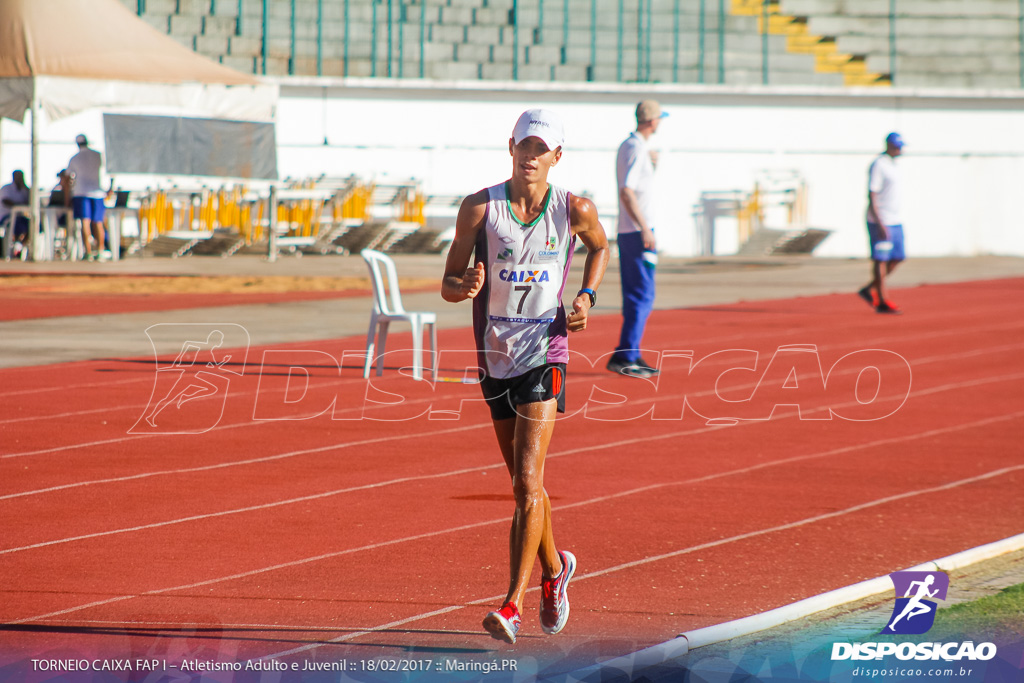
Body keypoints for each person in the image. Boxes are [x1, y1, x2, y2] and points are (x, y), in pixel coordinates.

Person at [441, 108, 609, 644]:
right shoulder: (480, 208)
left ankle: (512, 604)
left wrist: (586, 296)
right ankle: (557, 570)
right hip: (494, 354)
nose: (531, 156)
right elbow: (446, 282)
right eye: (524, 146)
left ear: (557, 156)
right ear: (510, 146)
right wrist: (463, 285)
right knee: (524, 485)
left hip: (546, 351)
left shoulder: (574, 209)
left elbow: (602, 247)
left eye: (542, 149)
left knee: (526, 482)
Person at [607, 99, 667, 378]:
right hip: (636, 231)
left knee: (639, 294)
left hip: (635, 229)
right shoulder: (634, 147)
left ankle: (629, 351)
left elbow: (636, 188)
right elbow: (627, 191)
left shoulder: (635, 147)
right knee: (642, 294)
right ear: (652, 121)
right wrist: (644, 227)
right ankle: (626, 354)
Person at [859, 132, 905, 315]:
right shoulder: (879, 164)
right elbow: (872, 193)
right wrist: (879, 221)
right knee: (881, 259)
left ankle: (869, 289)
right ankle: (882, 300)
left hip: (895, 219)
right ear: (888, 145)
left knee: (898, 257)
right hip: (881, 219)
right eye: (896, 146)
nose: (899, 149)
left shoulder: (894, 165)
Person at [67, 134, 109, 261]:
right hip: (97, 192)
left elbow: (68, 176)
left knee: (85, 222)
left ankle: (88, 252)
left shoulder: (75, 158)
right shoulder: (97, 155)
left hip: (81, 192)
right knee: (98, 222)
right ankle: (101, 250)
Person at [0, 170, 30, 259]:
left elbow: (30, 200)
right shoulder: (6, 188)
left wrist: (25, 187)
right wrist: (19, 204)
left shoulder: (24, 190)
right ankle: (13, 248)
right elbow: (5, 201)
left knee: (33, 226)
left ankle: (20, 246)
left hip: (20, 217)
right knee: (14, 225)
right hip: (6, 217)